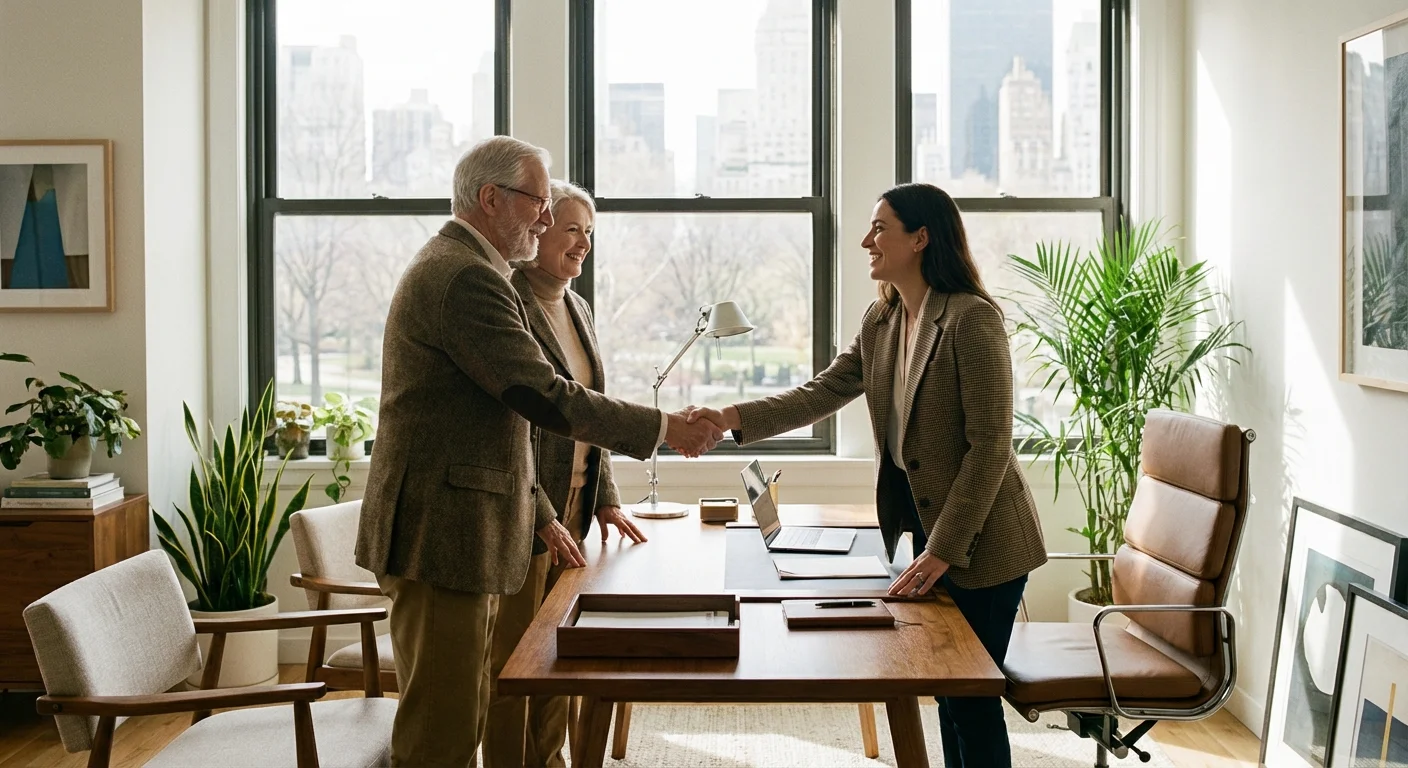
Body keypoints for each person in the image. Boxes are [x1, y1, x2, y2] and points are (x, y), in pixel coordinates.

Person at [355, 136, 722, 768]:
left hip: (466, 532)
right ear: (490, 198)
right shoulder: (466, 276)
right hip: (442, 534)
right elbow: (546, 400)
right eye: (540, 204)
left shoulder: (475, 268)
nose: (548, 221)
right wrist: (665, 427)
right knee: (443, 734)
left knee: (470, 710)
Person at [687, 182, 1047, 768]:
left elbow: (990, 448)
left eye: (880, 227)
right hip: (928, 533)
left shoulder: (972, 320)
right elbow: (823, 391)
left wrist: (944, 552)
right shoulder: (882, 319)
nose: (865, 240)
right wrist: (730, 418)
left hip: (984, 542)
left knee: (971, 699)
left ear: (921, 237)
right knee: (949, 696)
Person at [484, 180, 646, 767]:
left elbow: (587, 411)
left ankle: (548, 761)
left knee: (559, 656)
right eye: (572, 229)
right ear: (538, 228)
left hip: (575, 512)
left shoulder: (577, 307)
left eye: (590, 233)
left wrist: (604, 495)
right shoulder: (507, 301)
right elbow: (510, 428)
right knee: (516, 663)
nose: (583, 244)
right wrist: (544, 516)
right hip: (529, 516)